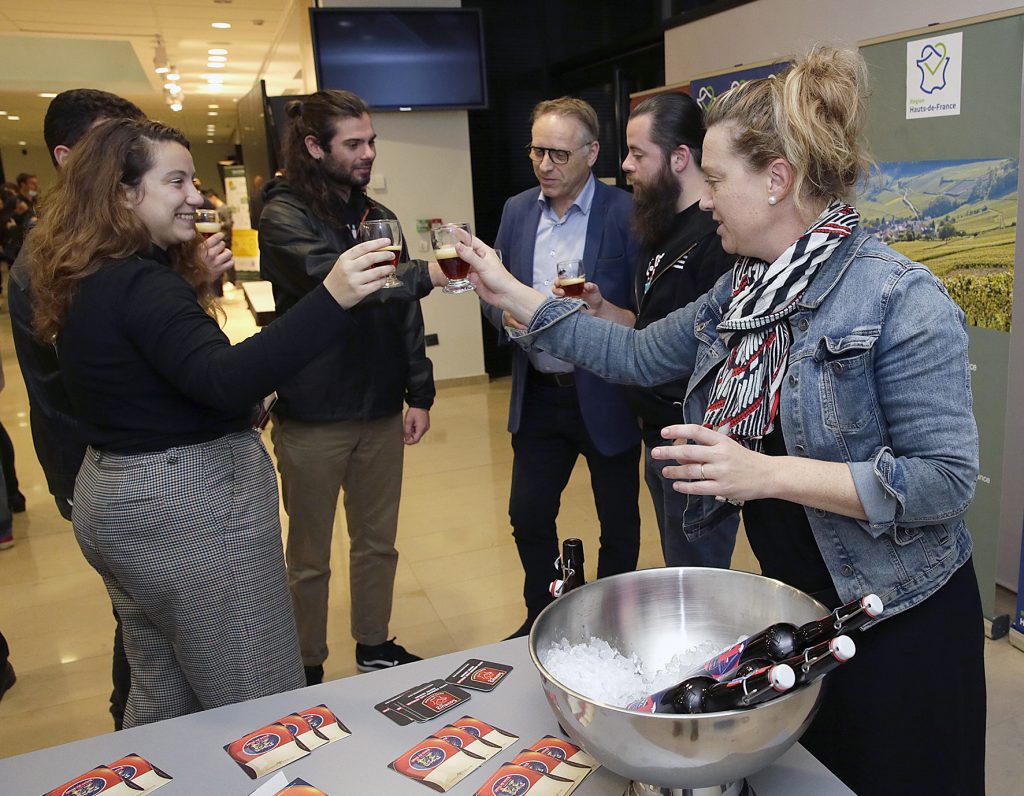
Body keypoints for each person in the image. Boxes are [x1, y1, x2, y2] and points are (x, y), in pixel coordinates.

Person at [463, 46, 986, 795]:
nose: (704, 199)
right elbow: (639, 354)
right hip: (809, 618)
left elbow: (943, 481)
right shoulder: (742, 295)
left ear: (778, 181)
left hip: (901, 618)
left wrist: (763, 472)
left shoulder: (900, 300)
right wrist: (511, 290)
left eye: (714, 178)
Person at [28, 117, 399, 727]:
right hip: (184, 510)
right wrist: (332, 295)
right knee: (261, 712)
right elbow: (224, 378)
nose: (196, 196)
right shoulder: (141, 284)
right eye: (175, 182)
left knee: (162, 692)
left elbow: (154, 380)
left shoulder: (91, 273)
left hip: (115, 497)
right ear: (124, 192)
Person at [7, 88, 233, 730]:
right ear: (71, 158)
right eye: (116, 151)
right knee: (152, 648)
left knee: (155, 649)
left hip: (128, 471)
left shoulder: (119, 255)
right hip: (115, 474)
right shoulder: (56, 263)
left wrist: (190, 285)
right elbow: (102, 387)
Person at [259, 90, 434, 683]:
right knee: (308, 557)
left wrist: (420, 392)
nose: (367, 153)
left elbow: (403, 310)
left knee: (377, 543)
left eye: (371, 142)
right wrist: (430, 271)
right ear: (315, 147)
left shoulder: (373, 214)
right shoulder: (283, 216)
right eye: (353, 144)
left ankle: (374, 644)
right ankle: (305, 661)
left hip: (380, 407)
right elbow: (345, 281)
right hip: (313, 412)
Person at [484, 97, 641, 639]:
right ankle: (543, 617)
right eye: (536, 152)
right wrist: (505, 316)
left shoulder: (626, 212)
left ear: (592, 153)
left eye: (557, 153)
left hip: (605, 393)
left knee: (618, 521)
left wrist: (610, 315)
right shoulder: (517, 210)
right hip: (541, 393)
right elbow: (492, 288)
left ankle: (616, 625)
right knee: (528, 513)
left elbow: (649, 311)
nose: (544, 165)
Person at [581, 92, 737, 567]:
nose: (625, 165)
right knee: (677, 564)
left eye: (637, 153)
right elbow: (650, 333)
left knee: (697, 579)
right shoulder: (655, 225)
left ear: (679, 157)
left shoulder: (718, 240)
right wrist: (604, 309)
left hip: (695, 442)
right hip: (657, 435)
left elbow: (708, 352)